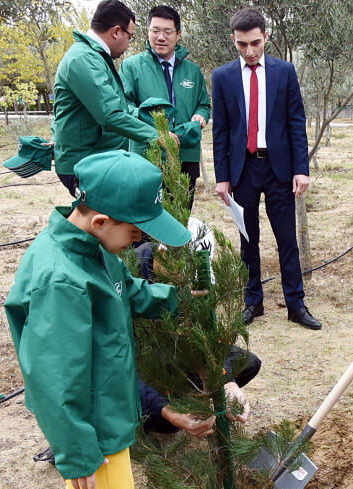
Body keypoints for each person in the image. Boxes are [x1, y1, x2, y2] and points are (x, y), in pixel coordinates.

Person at [4, 150, 194, 489]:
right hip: (92, 412)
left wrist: (174, 301)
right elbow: (52, 380)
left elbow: (128, 291)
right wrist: (75, 448)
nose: (141, 240)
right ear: (102, 219)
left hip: (100, 399)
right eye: (136, 231)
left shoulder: (92, 250)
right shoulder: (62, 280)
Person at [212, 7, 320, 330]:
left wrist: (302, 168)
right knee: (248, 241)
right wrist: (222, 177)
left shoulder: (285, 72)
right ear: (233, 39)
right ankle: (252, 303)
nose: (249, 51)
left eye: (255, 43)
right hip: (242, 169)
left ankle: (295, 304)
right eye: (242, 44)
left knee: (287, 239)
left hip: (279, 169)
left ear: (266, 36)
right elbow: (220, 130)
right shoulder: (222, 77)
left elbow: (296, 121)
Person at [51, 0, 177, 197]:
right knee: (106, 225)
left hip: (98, 160)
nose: (129, 44)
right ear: (116, 31)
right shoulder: (84, 59)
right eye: (130, 37)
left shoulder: (94, 57)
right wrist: (157, 135)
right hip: (86, 164)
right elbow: (110, 115)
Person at [121, 5, 211, 206]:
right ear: (148, 32)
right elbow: (124, 107)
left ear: (178, 35)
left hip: (185, 153)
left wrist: (200, 115)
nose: (160, 37)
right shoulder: (131, 66)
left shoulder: (193, 71)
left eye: (167, 31)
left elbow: (203, 103)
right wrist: (155, 128)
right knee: (145, 221)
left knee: (181, 216)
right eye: (155, 30)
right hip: (147, 153)